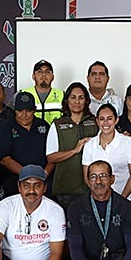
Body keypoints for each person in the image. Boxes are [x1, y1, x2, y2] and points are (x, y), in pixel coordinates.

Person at [45, 82, 99, 210]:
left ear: (86, 101)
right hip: (66, 188)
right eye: (73, 97)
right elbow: (51, 157)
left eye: (81, 98)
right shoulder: (57, 124)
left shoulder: (95, 122)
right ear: (67, 100)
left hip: (93, 187)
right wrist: (74, 151)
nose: (77, 102)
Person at [82, 104, 131, 203]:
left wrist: (121, 200)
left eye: (109, 119)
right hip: (100, 198)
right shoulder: (89, 145)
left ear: (116, 120)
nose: (105, 122)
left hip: (129, 196)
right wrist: (101, 197)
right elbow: (87, 178)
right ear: (97, 121)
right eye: (102, 119)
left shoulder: (127, 142)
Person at [0, 91, 53, 195]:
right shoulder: (6, 128)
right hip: (14, 182)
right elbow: (5, 159)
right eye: (20, 111)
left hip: (43, 180)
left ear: (34, 110)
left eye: (29, 110)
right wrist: (27, 175)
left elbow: (53, 154)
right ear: (14, 110)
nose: (24, 115)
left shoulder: (44, 125)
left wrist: (44, 174)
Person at [22, 60, 65, 124]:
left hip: (55, 130)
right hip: (31, 130)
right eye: (39, 72)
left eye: (47, 72)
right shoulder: (23, 94)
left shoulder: (62, 95)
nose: (44, 75)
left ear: (53, 77)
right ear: (33, 76)